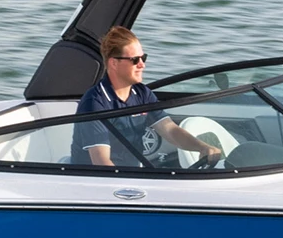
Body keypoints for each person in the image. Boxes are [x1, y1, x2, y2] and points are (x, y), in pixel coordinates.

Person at [75, 26, 225, 168]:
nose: (142, 65)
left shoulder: (142, 93)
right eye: (135, 60)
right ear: (114, 63)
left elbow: (170, 130)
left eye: (143, 58)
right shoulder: (94, 103)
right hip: (96, 180)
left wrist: (203, 147)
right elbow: (101, 161)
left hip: (129, 175)